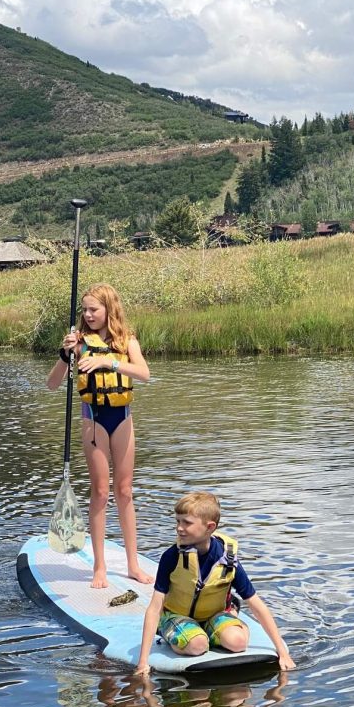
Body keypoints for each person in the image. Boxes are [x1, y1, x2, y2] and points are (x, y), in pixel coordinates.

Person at [46, 282, 152, 588]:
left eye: (94, 309)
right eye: (85, 309)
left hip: (122, 418)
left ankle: (133, 564)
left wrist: (109, 361)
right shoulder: (77, 342)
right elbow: (52, 385)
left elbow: (144, 373)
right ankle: (100, 567)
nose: (88, 314)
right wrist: (65, 356)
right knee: (101, 492)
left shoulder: (126, 340)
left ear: (109, 309)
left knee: (125, 490)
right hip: (93, 420)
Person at [135, 492, 296, 674]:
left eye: (186, 522)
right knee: (197, 645)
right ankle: (179, 633)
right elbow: (155, 608)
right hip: (177, 616)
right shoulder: (171, 557)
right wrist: (143, 662)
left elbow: (256, 604)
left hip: (213, 615)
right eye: (178, 521)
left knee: (238, 642)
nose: (179, 528)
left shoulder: (227, 560)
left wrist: (282, 652)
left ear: (209, 527)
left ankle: (225, 622)